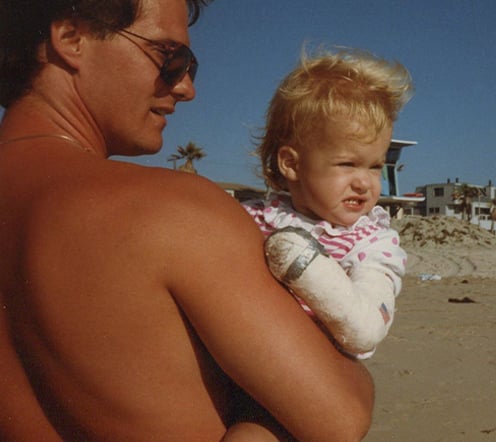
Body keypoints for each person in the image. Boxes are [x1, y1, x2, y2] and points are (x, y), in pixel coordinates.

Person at [0, 1, 374, 440]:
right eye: (169, 57)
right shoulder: (172, 210)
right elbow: (339, 415)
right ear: (70, 39)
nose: (186, 88)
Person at [243, 47, 413, 358]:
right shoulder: (254, 219)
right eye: (347, 164)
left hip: (315, 364)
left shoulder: (373, 242)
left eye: (375, 166)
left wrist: (307, 269)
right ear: (291, 164)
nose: (364, 182)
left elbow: (366, 329)